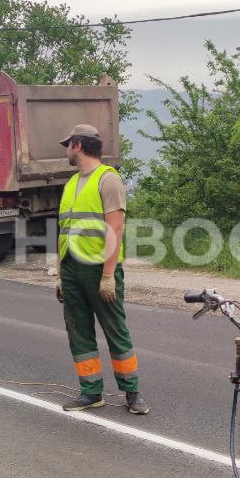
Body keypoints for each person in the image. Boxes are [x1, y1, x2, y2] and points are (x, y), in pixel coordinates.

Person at [54, 123, 148, 415]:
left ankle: (132, 392)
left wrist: (108, 275)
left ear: (78, 145)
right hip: (72, 268)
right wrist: (60, 272)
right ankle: (90, 392)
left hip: (99, 269)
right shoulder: (71, 183)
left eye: (68, 144)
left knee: (114, 330)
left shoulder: (108, 179)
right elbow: (64, 231)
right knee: (78, 331)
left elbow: (115, 229)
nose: (66, 150)